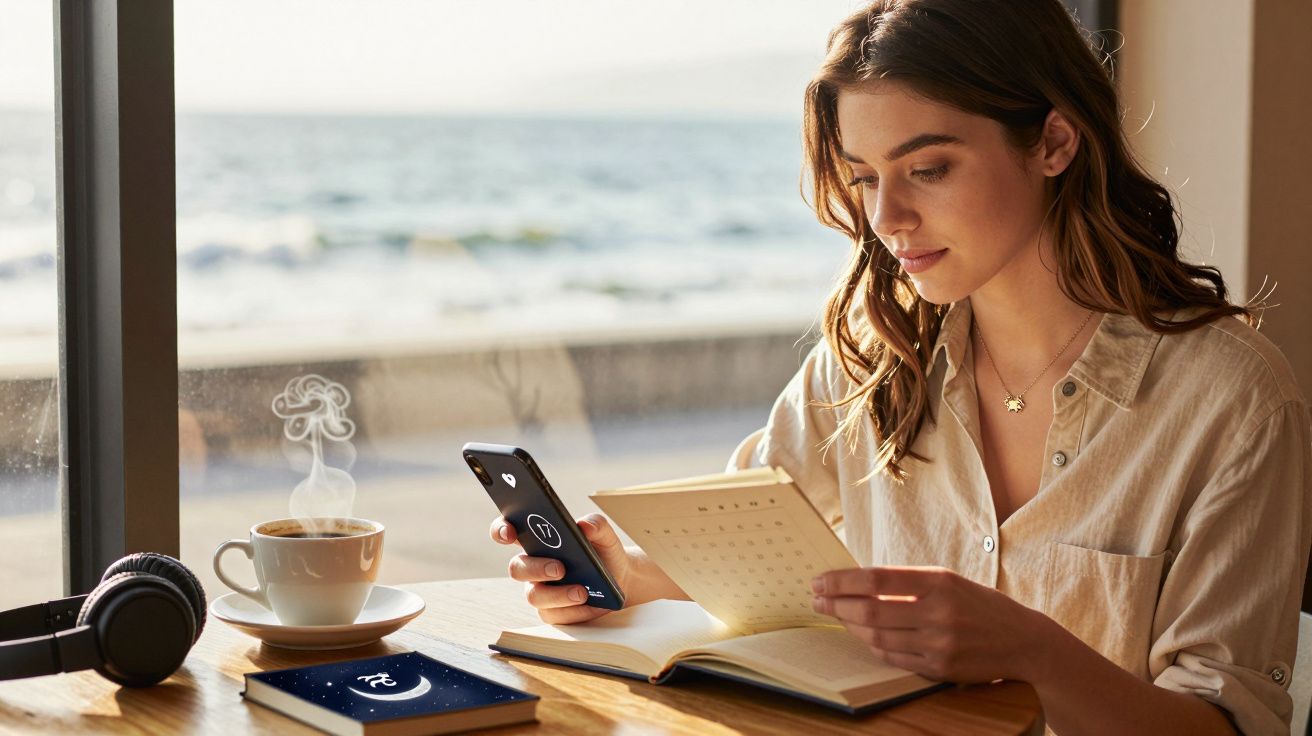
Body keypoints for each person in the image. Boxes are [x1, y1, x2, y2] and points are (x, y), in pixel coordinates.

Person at [489, 1, 1312, 733]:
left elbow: (1226, 725)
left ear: (1054, 143)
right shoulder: (871, 363)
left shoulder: (1229, 399)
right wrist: (617, 571)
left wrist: (1036, 652)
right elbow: (745, 542)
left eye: (928, 169)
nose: (888, 217)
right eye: (864, 178)